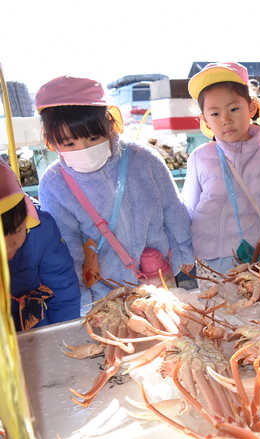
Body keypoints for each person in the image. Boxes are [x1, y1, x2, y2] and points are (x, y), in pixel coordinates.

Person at [36, 76, 194, 313]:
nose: (84, 150)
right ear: (50, 142)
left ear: (111, 126)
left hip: (159, 279)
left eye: (93, 138)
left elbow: (173, 208)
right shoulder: (53, 183)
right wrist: (82, 302)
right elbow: (66, 250)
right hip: (104, 296)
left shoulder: (144, 158)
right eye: (69, 144)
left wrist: (186, 252)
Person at [181, 62, 260, 278]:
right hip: (207, 261)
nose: (226, 120)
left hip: (255, 258)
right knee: (212, 311)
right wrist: (183, 250)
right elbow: (188, 207)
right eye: (214, 114)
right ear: (204, 119)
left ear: (251, 108)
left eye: (234, 109)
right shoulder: (199, 157)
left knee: (254, 310)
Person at [1, 160, 81, 331]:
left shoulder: (42, 229)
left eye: (16, 231)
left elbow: (62, 287)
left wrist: (63, 332)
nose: (8, 246)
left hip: (34, 327)